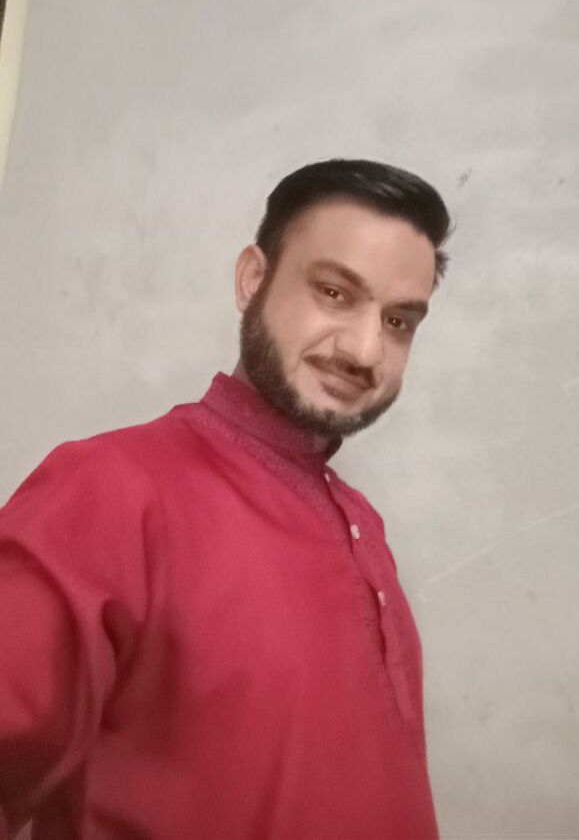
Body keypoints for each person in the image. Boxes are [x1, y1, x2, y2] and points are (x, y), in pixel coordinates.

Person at [0, 159, 451, 839]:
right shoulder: (108, 488)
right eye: (334, 292)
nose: (365, 349)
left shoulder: (363, 524)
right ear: (252, 278)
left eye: (398, 321)